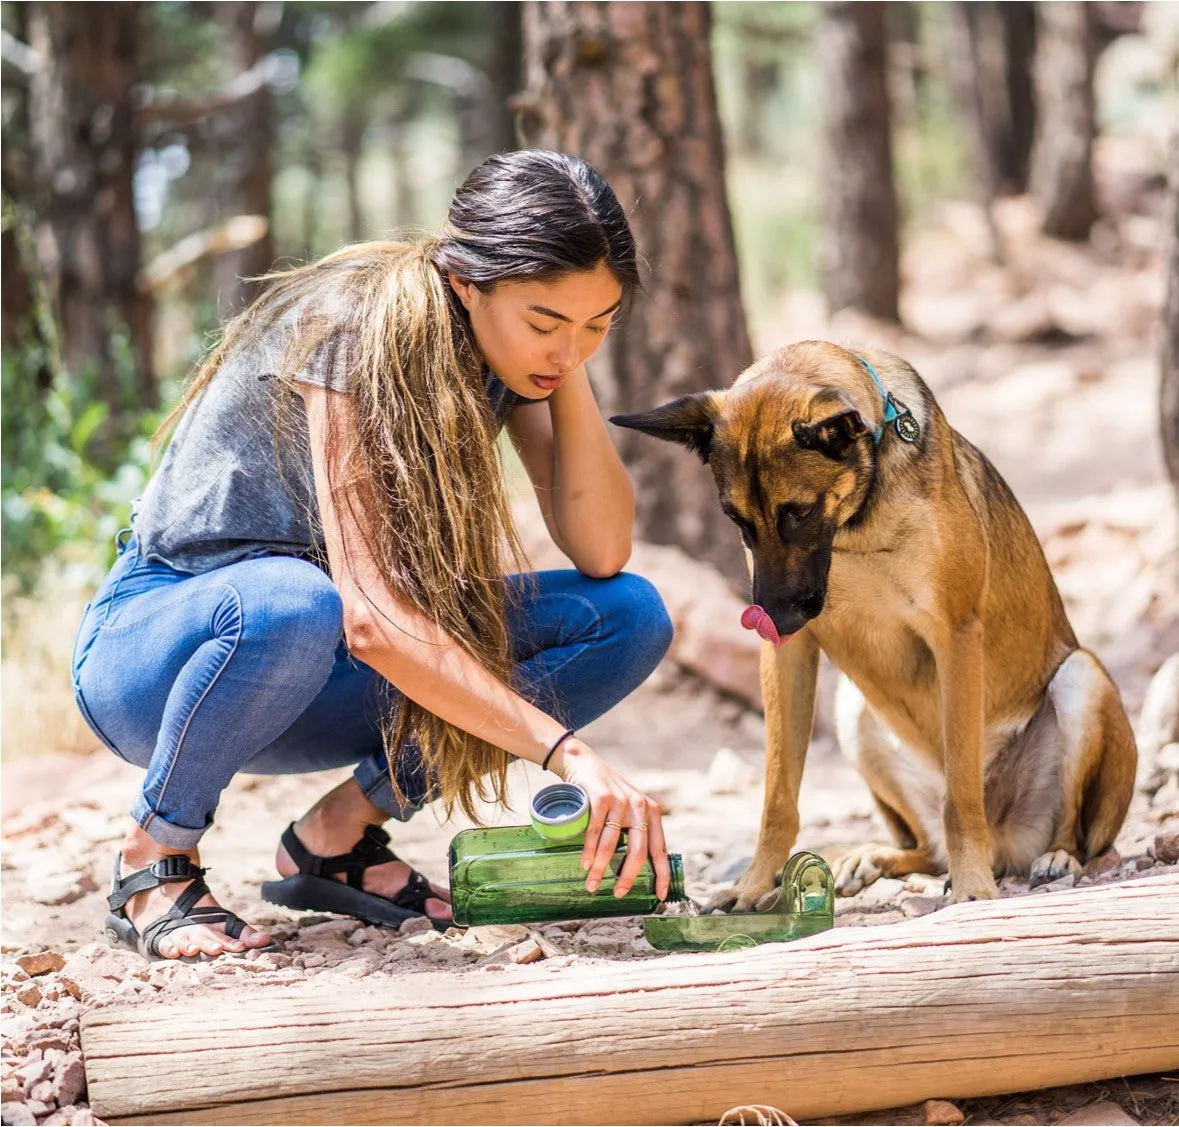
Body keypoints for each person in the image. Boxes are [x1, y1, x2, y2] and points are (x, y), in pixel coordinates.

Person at [70, 149, 675, 961]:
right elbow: (373, 619)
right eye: (544, 320)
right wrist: (565, 753)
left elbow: (601, 548)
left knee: (627, 616)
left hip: (312, 670)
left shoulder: (518, 359)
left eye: (596, 325)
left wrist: (561, 362)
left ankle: (337, 838)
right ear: (465, 279)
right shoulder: (353, 326)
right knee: (296, 600)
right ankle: (155, 859)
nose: (568, 349)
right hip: (166, 657)